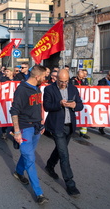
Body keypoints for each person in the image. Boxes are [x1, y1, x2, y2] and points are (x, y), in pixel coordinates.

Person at [10, 65, 48, 205]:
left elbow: (38, 106)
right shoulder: (22, 90)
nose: (45, 79)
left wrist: (41, 122)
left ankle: (18, 172)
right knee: (30, 159)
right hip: (25, 128)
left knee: (27, 153)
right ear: (37, 77)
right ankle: (39, 193)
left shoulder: (37, 88)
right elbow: (14, 111)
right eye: (44, 77)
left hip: (36, 127)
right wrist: (17, 131)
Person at [43, 69, 83, 197]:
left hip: (69, 126)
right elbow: (47, 106)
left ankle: (49, 166)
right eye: (61, 81)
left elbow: (80, 105)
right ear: (56, 79)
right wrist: (59, 104)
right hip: (57, 126)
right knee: (64, 155)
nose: (64, 84)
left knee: (61, 150)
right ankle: (70, 183)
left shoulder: (73, 89)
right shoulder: (49, 89)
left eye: (66, 81)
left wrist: (74, 105)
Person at [70, 69, 90, 139]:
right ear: (77, 75)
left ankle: (83, 133)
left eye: (82, 77)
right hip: (74, 100)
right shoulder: (72, 80)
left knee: (83, 116)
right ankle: (72, 131)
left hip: (81, 100)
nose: (82, 79)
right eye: (80, 77)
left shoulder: (84, 81)